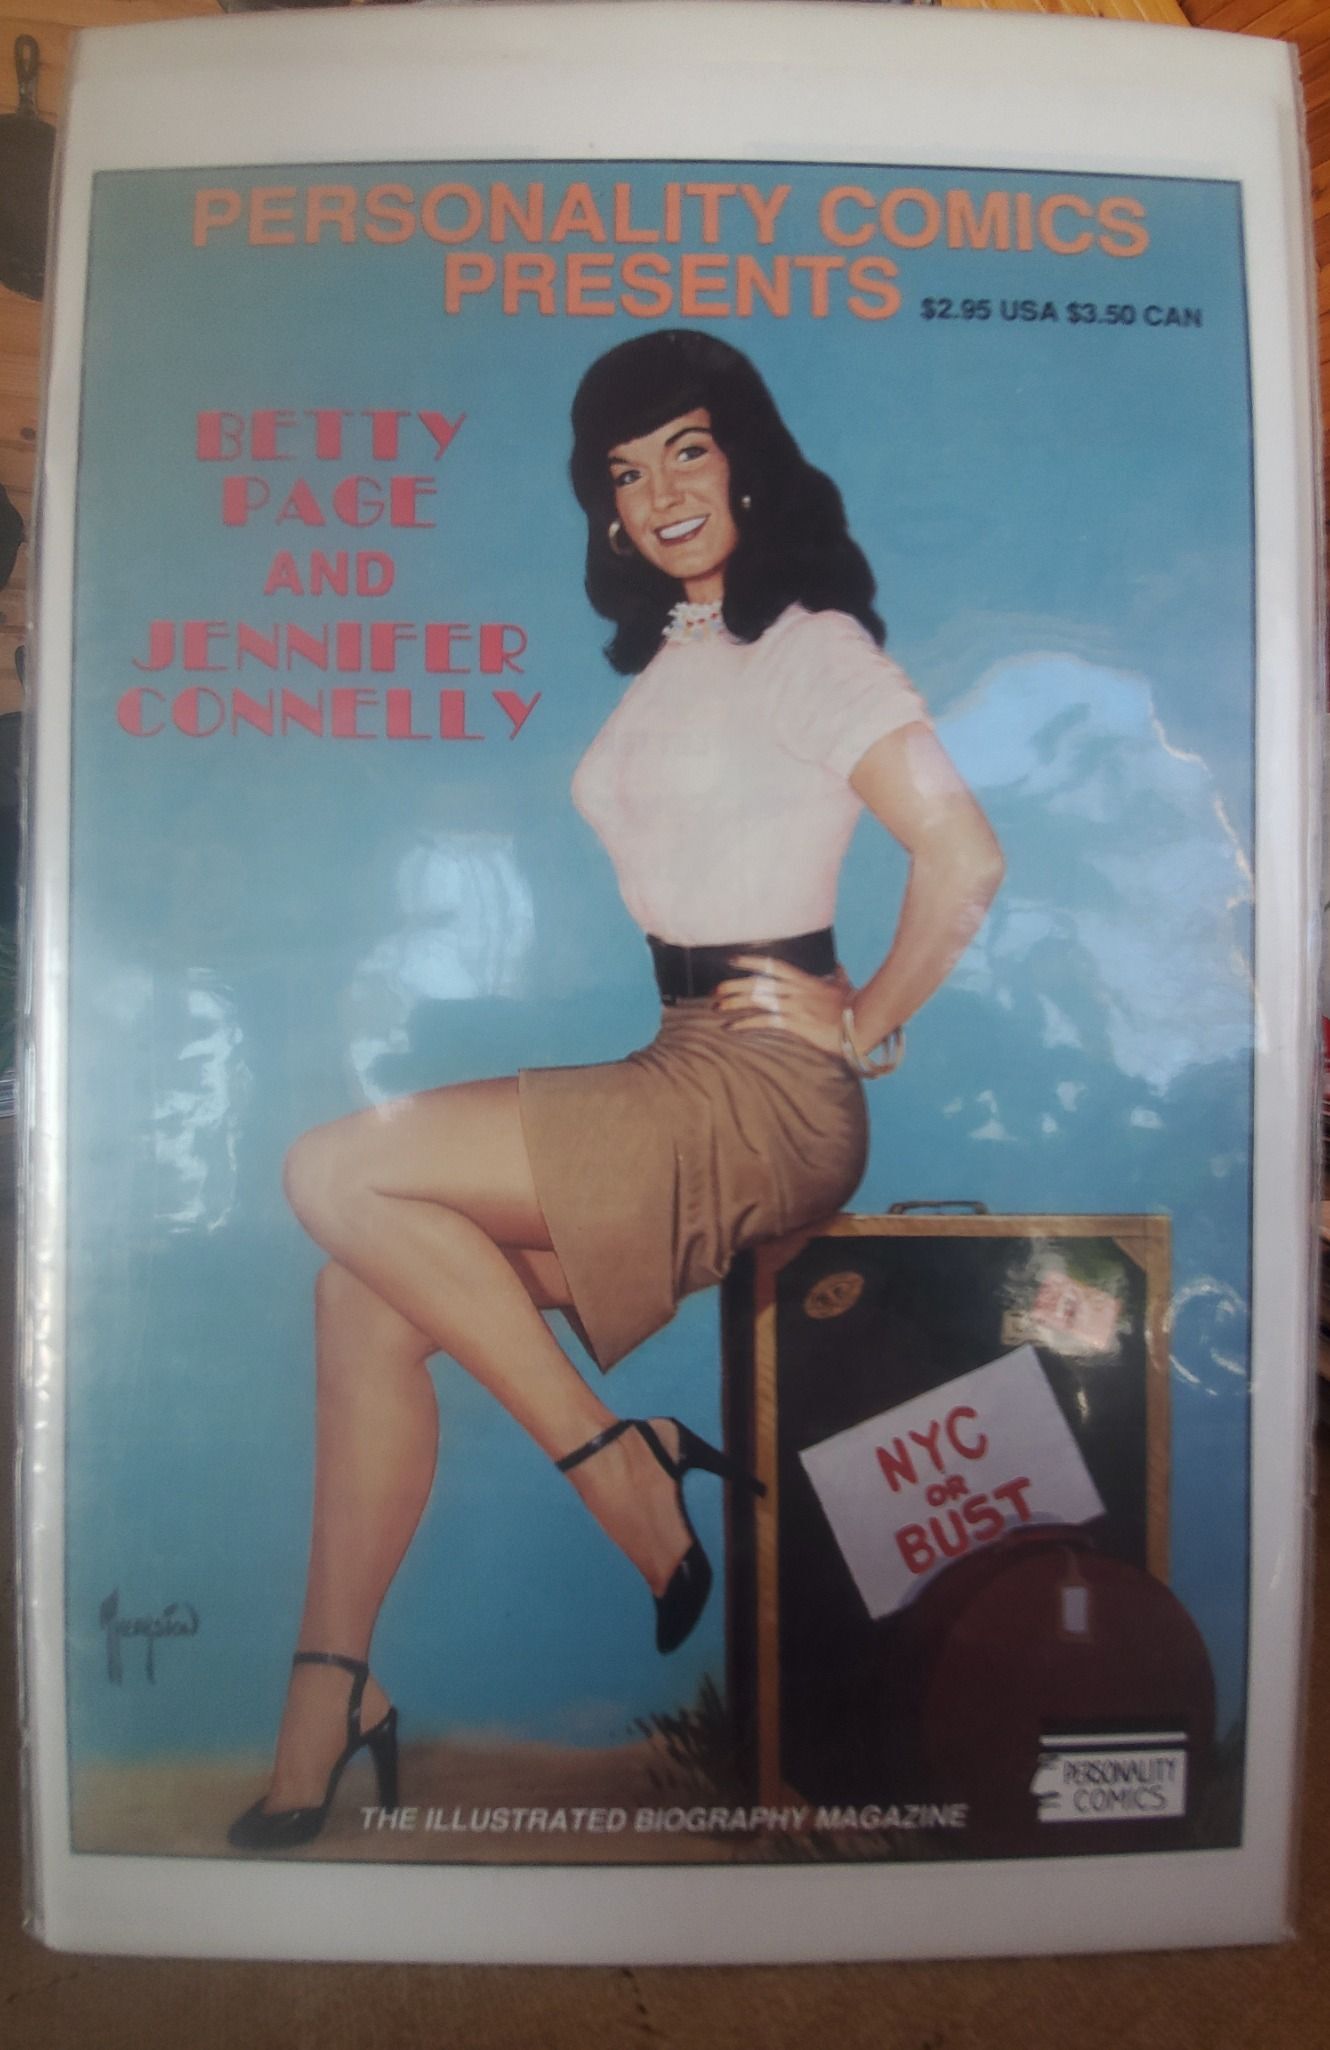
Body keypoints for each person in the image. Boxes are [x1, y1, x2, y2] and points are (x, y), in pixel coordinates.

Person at [229, 329, 1004, 1850]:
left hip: (762, 1097)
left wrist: (866, 1020)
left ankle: (616, 1471)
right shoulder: (678, 654)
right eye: (625, 473)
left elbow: (962, 856)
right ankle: (332, 1694)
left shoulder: (810, 647)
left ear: (747, 457)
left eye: (687, 451)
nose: (659, 494)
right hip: (679, 1061)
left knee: (335, 1168)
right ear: (605, 506)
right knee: (359, 1296)